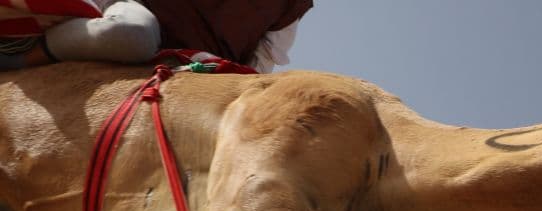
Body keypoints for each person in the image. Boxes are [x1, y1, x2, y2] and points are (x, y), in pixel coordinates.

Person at [0, 1, 312, 73]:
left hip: (203, 71)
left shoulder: (292, 6)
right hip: (144, 23)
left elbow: (261, 64)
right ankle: (16, 58)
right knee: (129, 35)